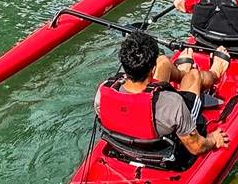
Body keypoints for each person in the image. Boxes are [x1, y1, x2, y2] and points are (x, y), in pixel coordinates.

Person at [95, 32, 229, 165]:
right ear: (153, 70)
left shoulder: (103, 91)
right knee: (194, 76)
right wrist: (213, 140)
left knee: (163, 61)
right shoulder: (173, 104)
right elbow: (197, 147)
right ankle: (215, 72)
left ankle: (182, 72)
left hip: (127, 146)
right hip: (166, 151)